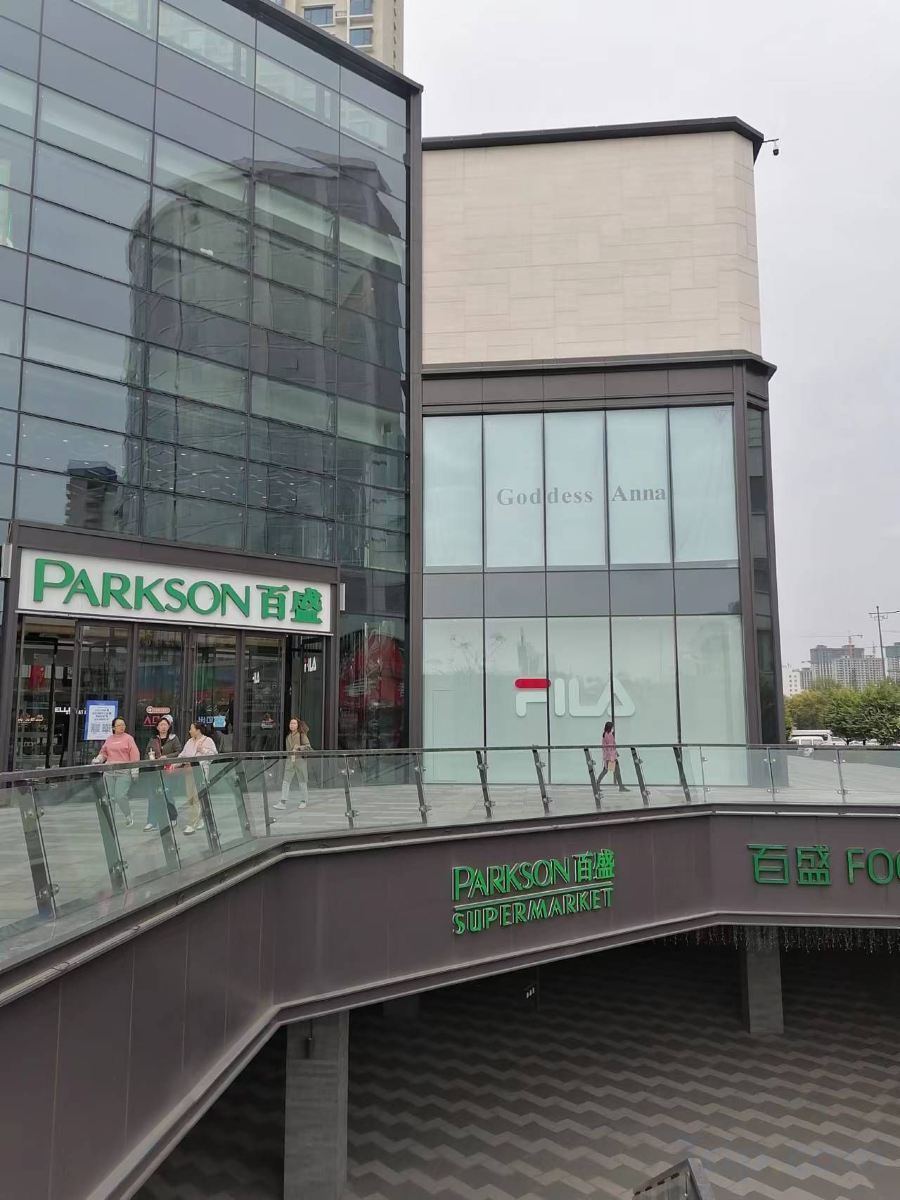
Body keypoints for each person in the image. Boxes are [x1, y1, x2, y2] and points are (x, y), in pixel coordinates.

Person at [93, 717, 140, 825]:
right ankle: (111, 821)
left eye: (123, 725)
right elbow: (104, 753)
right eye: (119, 725)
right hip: (109, 772)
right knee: (110, 797)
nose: (122, 727)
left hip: (123, 772)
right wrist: (98, 760)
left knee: (120, 796)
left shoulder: (129, 739)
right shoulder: (109, 739)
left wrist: (134, 771)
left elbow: (135, 756)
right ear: (113, 727)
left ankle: (128, 814)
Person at [177, 721, 218, 835]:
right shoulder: (189, 741)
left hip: (200, 772)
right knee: (191, 797)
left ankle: (192, 823)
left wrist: (202, 750)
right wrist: (174, 764)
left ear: (198, 730)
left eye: (191, 729)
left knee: (197, 797)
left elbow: (214, 755)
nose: (190, 731)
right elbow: (183, 755)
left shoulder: (208, 740)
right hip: (189, 772)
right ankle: (199, 820)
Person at [144, 717, 182, 832]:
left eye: (165, 724)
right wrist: (151, 758)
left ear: (169, 726)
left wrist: (167, 757)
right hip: (155, 771)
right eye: (161, 725)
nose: (163, 727)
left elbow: (179, 752)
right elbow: (146, 753)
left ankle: (172, 817)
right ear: (157, 727)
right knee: (153, 796)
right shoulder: (153, 740)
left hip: (168, 771)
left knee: (167, 794)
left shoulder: (173, 738)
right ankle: (152, 822)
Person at [274, 717, 311, 811]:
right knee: (286, 781)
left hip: (300, 761)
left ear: (298, 725)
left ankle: (304, 801)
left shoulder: (302, 735)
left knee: (302, 781)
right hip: (290, 761)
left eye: (294, 723)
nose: (292, 725)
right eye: (291, 723)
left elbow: (308, 747)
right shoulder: (288, 737)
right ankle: (283, 802)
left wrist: (298, 748)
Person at [597, 720, 627, 792]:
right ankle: (621, 787)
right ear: (610, 727)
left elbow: (609, 747)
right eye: (612, 727)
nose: (613, 728)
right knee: (615, 771)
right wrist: (612, 757)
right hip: (611, 757)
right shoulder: (609, 735)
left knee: (606, 771)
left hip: (608, 756)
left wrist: (616, 753)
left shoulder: (605, 734)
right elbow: (610, 747)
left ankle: (597, 784)